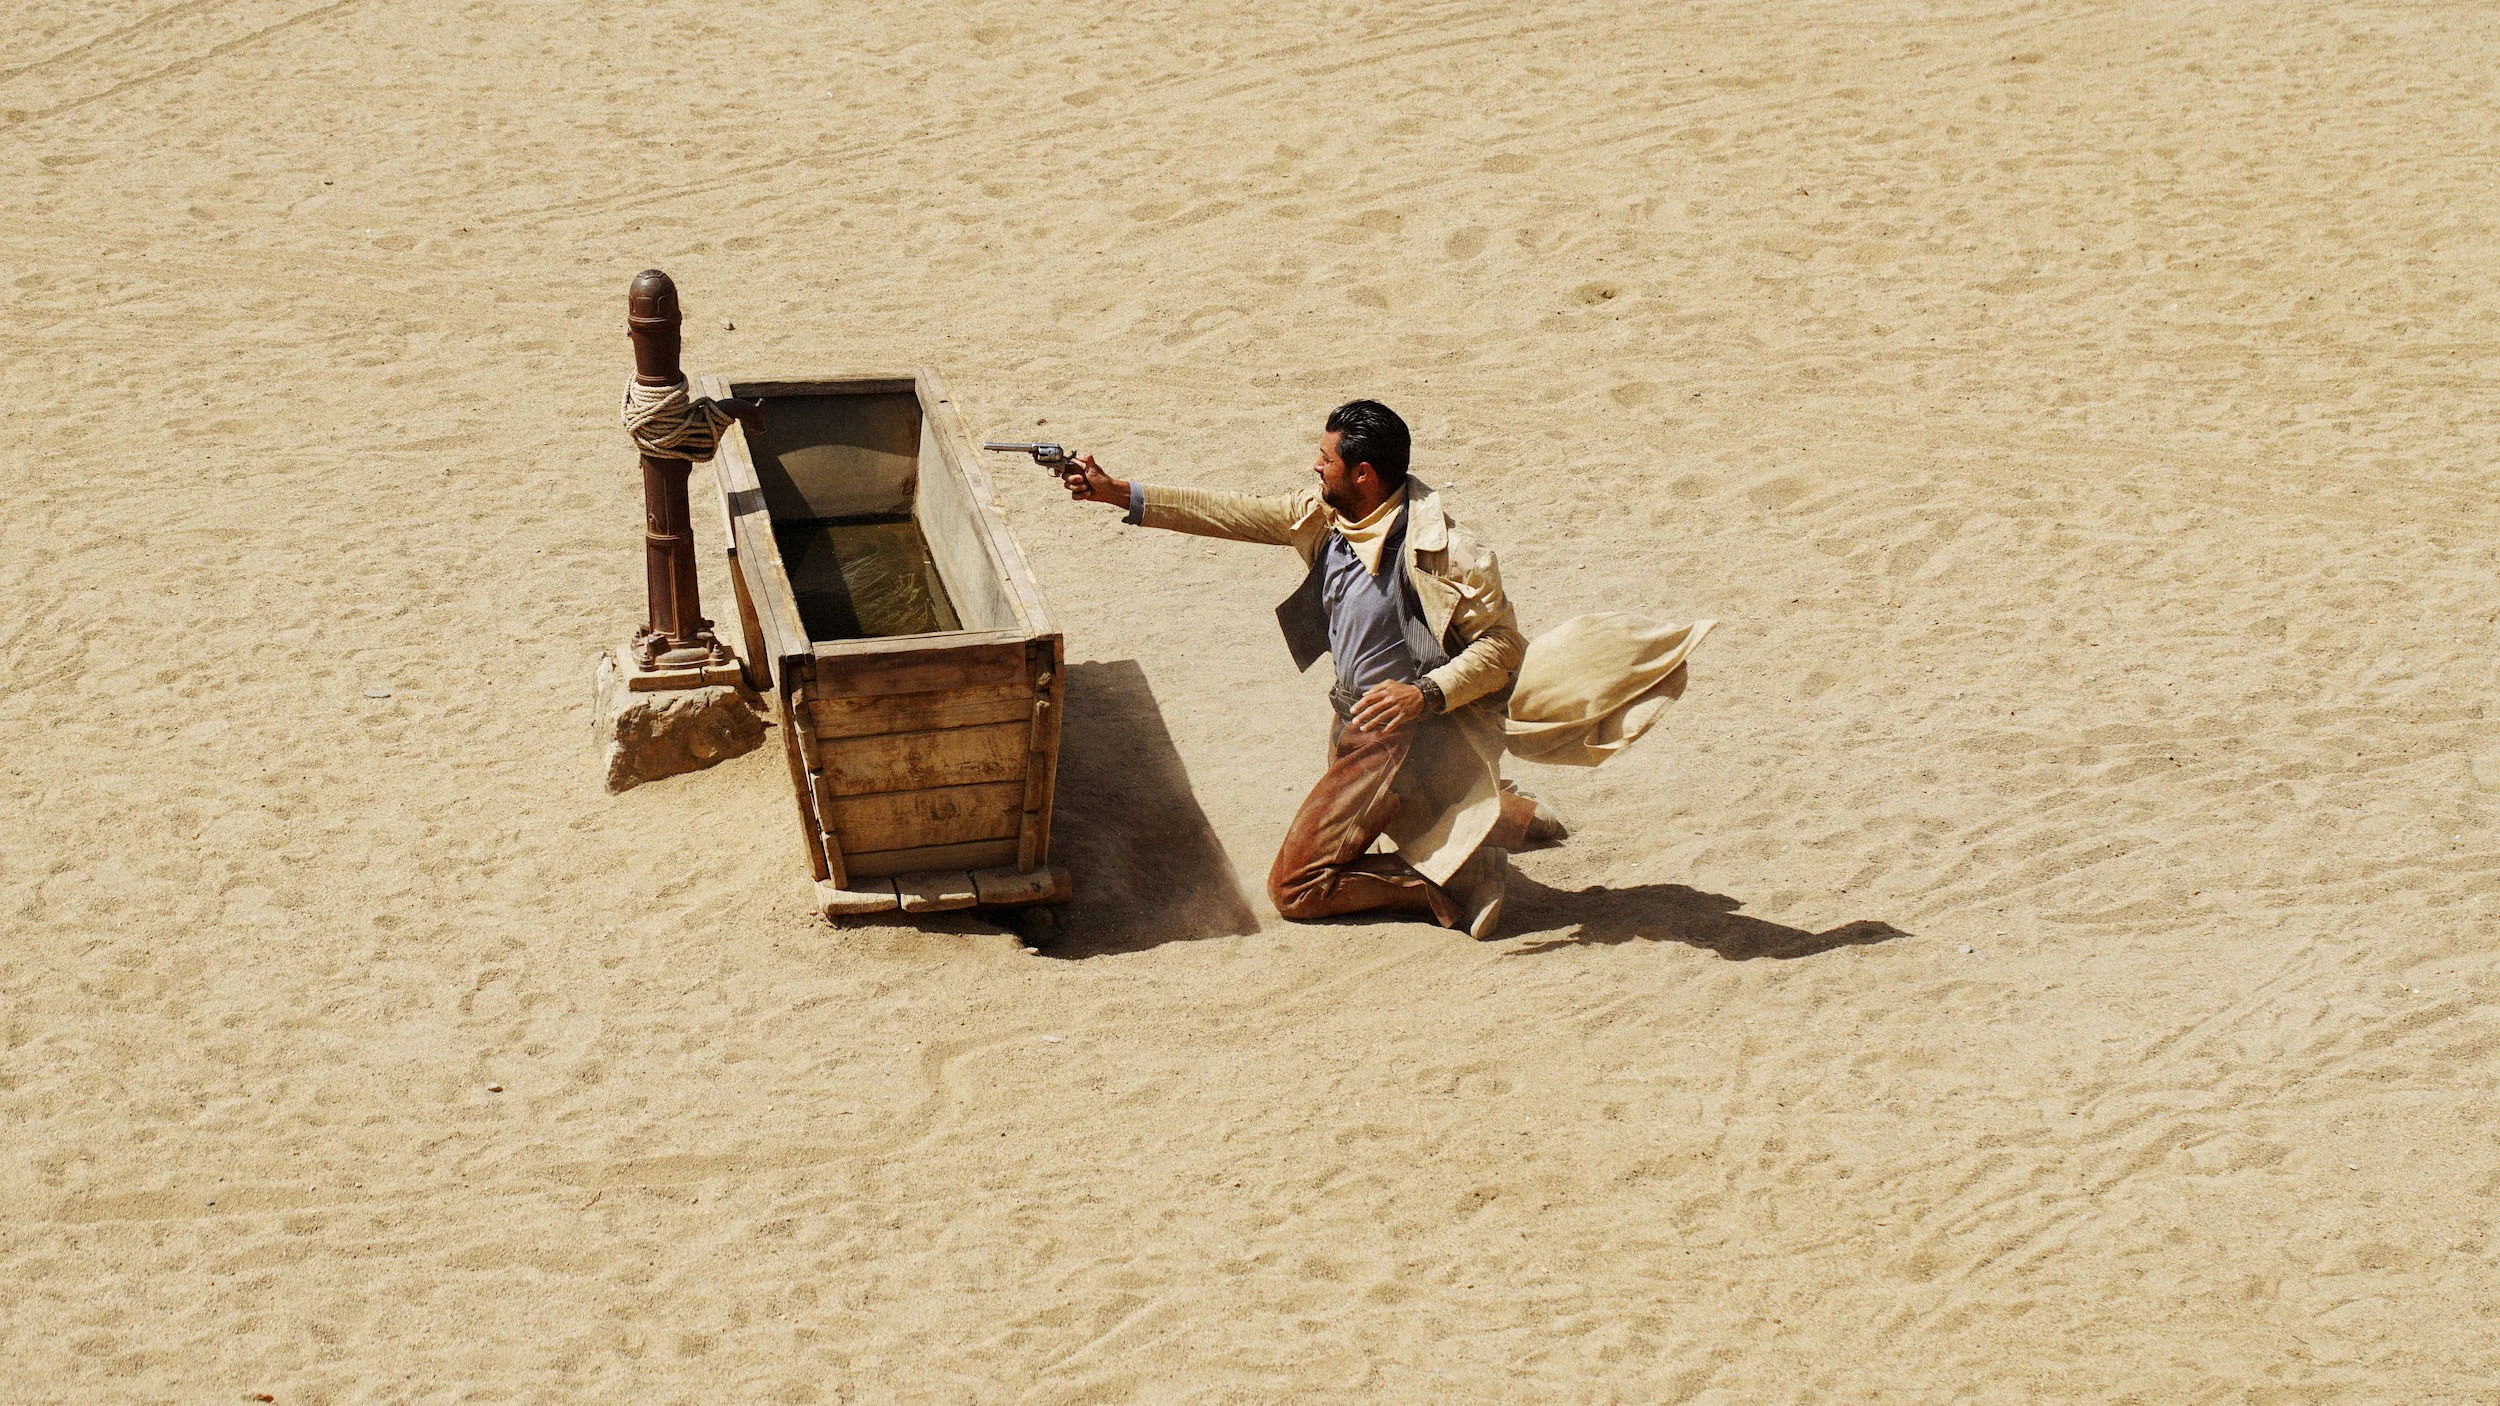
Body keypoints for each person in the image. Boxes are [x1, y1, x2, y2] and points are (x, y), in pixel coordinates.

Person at [1058, 400, 1561, 939]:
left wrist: (1423, 695)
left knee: (1296, 887)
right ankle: (1513, 815)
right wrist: (1117, 493)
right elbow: (1231, 512)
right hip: (1348, 716)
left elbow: (1502, 648)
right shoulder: (1327, 517)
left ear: (1363, 474)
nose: (1315, 467)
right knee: (1394, 812)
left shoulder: (1449, 554)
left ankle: (1452, 880)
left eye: (1326, 459)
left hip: (1397, 733)